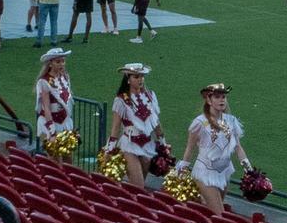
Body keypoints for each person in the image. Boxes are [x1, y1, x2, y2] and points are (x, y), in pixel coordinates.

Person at [181, 82, 254, 214]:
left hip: (224, 172)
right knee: (220, 213)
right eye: (217, 97)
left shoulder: (231, 121)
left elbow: (238, 147)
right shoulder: (199, 123)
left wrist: (249, 170)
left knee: (210, 211)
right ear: (208, 100)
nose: (221, 99)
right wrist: (182, 169)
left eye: (223, 97)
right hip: (204, 172)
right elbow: (190, 148)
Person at [108, 62, 164, 188]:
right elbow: (116, 127)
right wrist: (110, 149)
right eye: (136, 77)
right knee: (138, 185)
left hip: (147, 145)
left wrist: (163, 143)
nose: (140, 80)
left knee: (140, 185)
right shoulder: (121, 100)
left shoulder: (151, 96)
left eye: (142, 76)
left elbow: (156, 122)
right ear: (128, 79)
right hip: (130, 144)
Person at [34, 48, 75, 153]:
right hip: (51, 122)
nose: (62, 64)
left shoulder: (65, 77)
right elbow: (46, 107)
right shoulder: (44, 81)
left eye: (63, 61)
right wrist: (52, 132)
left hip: (64, 121)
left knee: (68, 156)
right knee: (54, 158)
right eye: (58, 62)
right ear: (50, 63)